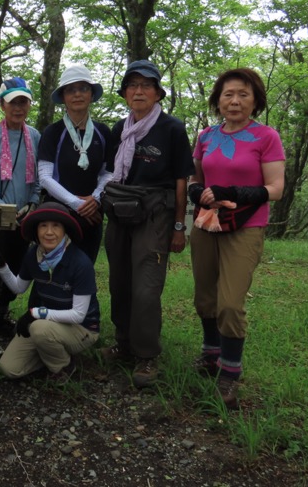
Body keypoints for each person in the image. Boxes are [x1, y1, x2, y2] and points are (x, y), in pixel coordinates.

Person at [188, 68, 285, 408]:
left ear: (255, 100)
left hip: (246, 226)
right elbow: (195, 179)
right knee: (205, 296)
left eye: (243, 94)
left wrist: (236, 192)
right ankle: (210, 355)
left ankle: (230, 373)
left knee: (230, 302)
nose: (235, 101)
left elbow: (275, 188)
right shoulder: (205, 136)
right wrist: (197, 190)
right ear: (217, 100)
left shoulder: (266, 137)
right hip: (206, 224)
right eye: (228, 94)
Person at [100, 60, 193, 388]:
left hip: (156, 213)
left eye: (146, 85)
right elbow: (111, 172)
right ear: (125, 93)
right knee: (119, 282)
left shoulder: (171, 128)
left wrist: (180, 227)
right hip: (121, 211)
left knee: (147, 287)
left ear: (157, 93)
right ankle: (123, 343)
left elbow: (182, 179)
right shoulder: (118, 130)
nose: (139, 91)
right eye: (133, 85)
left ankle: (147, 355)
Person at [0, 203, 100, 383]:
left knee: (38, 329)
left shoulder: (80, 263)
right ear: (36, 231)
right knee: (9, 368)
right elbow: (19, 288)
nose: (49, 232)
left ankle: (63, 367)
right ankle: (50, 353)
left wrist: (36, 314)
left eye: (56, 226)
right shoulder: (34, 254)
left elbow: (78, 315)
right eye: (43, 226)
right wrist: (2, 266)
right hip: (48, 324)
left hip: (82, 328)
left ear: (65, 230)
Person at [0, 78, 41, 351]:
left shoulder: (34, 136)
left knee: (15, 267)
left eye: (23, 101)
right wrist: (2, 209)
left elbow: (38, 175)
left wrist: (34, 202)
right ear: (2, 105)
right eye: (13, 101)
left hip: (23, 217)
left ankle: (1, 313)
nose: (18, 107)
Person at [37, 65, 113, 263]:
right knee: (55, 276)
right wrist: (77, 203)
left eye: (83, 88)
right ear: (63, 97)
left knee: (84, 273)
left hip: (92, 217)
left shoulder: (103, 132)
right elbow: (44, 177)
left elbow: (108, 173)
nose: (77, 94)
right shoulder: (52, 132)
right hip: (57, 218)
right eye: (71, 90)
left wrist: (95, 199)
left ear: (91, 94)